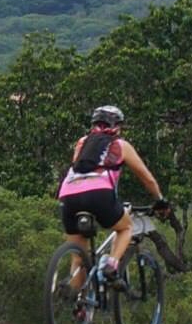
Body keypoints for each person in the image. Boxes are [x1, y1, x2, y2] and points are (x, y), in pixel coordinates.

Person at [57, 104, 167, 284]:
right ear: (117, 125)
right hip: (99, 194)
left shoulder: (82, 143)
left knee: (78, 258)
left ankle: (77, 302)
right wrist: (160, 201)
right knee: (126, 227)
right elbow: (147, 179)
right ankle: (112, 266)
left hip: (68, 195)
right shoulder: (120, 145)